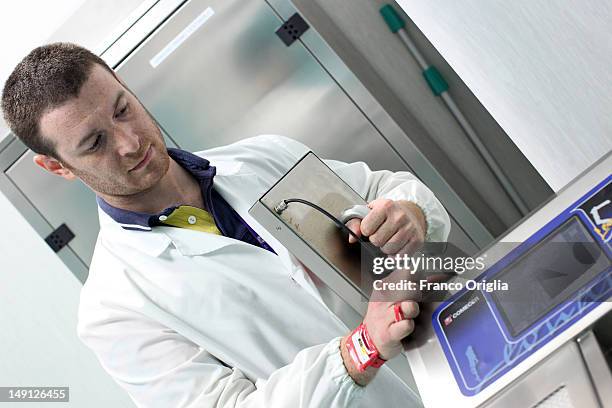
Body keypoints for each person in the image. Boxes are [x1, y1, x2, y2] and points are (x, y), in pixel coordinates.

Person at [1, 43, 451, 407]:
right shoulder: (114, 310)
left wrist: (409, 215)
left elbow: (382, 187)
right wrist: (358, 351)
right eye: (95, 142)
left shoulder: (261, 157)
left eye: (122, 109)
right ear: (56, 167)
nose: (130, 141)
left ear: (126, 86)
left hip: (464, 364)